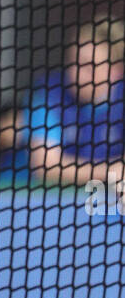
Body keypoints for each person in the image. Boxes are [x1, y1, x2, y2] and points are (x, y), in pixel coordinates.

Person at [24, 16, 125, 185]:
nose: (76, 74)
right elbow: (46, 167)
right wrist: (109, 171)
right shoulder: (48, 95)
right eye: (74, 62)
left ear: (116, 71)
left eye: (89, 66)